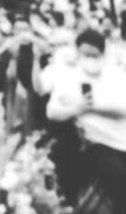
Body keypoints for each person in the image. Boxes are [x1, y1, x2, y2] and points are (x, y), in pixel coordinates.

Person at [46, 28, 126, 211]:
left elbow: (123, 105)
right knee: (119, 178)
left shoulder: (115, 75)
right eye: (85, 54)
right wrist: (76, 108)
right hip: (99, 144)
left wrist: (89, 106)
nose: (89, 60)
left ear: (102, 54)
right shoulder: (69, 77)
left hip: (123, 137)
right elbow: (52, 111)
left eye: (94, 55)